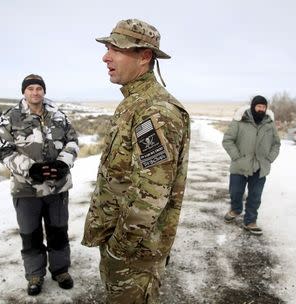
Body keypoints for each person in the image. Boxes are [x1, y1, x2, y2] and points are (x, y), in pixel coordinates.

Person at [81, 19, 191, 303]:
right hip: (121, 243)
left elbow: (151, 195)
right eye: (108, 48)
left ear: (145, 57)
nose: (105, 57)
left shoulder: (155, 110)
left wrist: (120, 247)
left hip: (134, 252)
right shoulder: (134, 101)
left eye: (116, 49)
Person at [0, 74, 78, 295]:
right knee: (30, 235)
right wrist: (30, 168)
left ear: (44, 91)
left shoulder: (58, 115)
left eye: (38, 88)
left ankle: (60, 270)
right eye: (30, 88)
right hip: (26, 188)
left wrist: (63, 163)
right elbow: (2, 149)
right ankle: (34, 275)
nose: (35, 92)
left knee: (58, 232)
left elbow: (72, 140)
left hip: (57, 187)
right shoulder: (10, 117)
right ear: (24, 92)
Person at [222, 95, 280, 235]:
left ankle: (250, 221)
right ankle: (236, 209)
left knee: (255, 196)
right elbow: (228, 140)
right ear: (253, 106)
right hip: (240, 165)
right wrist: (237, 157)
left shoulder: (269, 123)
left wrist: (269, 159)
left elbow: (276, 144)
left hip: (260, 167)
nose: (261, 109)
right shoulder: (240, 120)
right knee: (235, 192)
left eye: (264, 107)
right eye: (259, 106)